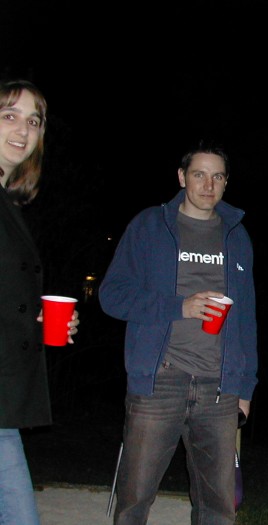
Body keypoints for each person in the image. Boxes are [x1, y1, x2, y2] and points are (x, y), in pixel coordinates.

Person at [99, 140, 258, 524]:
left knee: (219, 505)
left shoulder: (237, 236)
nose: (208, 185)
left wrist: (245, 386)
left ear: (226, 183)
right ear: (182, 177)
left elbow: (247, 317)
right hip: (159, 380)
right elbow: (111, 296)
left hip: (218, 388)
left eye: (217, 176)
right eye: (199, 175)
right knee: (135, 498)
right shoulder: (149, 226)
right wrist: (179, 307)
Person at [0, 78, 80, 524]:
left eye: (34, 120)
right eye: (9, 115)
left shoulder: (9, 204)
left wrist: (38, 320)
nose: (23, 128)